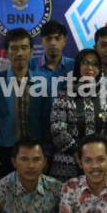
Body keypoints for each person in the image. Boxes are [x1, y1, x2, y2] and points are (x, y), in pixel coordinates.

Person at [0, 28, 51, 181]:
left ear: (32, 51)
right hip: (4, 153)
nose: (19, 53)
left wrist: (47, 152)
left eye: (24, 47)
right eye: (14, 48)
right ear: (6, 52)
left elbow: (46, 121)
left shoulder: (42, 83)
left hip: (35, 152)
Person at [50, 49, 107, 182]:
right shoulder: (64, 94)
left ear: (100, 68)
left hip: (102, 164)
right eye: (85, 62)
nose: (90, 67)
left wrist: (99, 155)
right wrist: (79, 154)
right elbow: (58, 130)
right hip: (69, 163)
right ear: (78, 66)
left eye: (95, 63)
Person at [28, 20, 76, 158]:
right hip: (37, 133)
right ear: (41, 41)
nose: (53, 43)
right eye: (48, 39)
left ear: (65, 41)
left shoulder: (74, 66)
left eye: (57, 38)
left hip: (67, 135)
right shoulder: (31, 65)